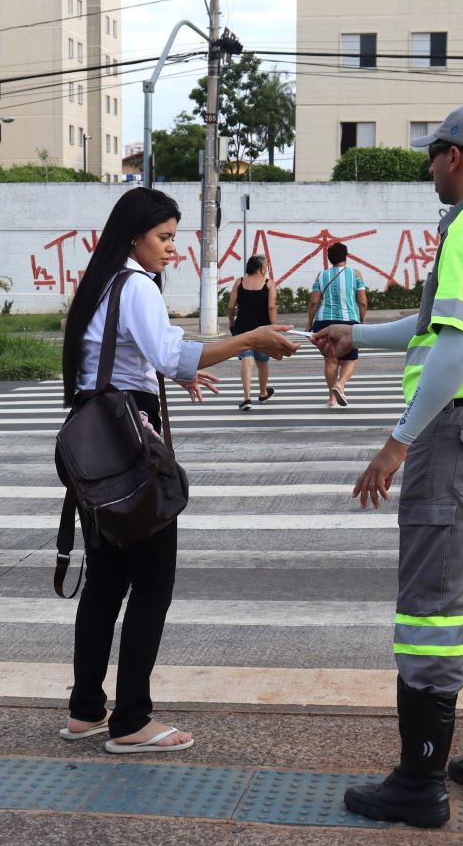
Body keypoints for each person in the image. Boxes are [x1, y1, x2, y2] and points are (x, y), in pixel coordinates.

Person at [313, 102, 463, 828]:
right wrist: (356, 339)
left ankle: (419, 785)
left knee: (431, 615)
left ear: (454, 156)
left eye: (433, 154)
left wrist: (397, 442)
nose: (429, 167)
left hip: (462, 437)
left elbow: (453, 351)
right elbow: (434, 326)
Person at [59, 187, 298, 753]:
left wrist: (169, 371)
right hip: (130, 440)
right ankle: (132, 721)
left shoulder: (98, 283)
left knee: (105, 580)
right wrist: (250, 339)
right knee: (152, 583)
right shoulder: (136, 284)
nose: (173, 248)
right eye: (165, 237)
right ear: (135, 236)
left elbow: (118, 356)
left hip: (95, 436)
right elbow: (167, 352)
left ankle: (85, 710)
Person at [307, 243, 367, 408]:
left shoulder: (321, 275)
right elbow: (362, 301)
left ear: (329, 258)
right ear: (346, 256)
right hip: (348, 322)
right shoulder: (356, 274)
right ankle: (340, 385)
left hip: (324, 322)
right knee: (351, 358)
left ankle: (331, 399)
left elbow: (314, 302)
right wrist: (362, 319)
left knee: (330, 360)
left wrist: (309, 323)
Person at [226, 254, 278, 410]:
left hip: (242, 326)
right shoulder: (269, 284)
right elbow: (271, 307)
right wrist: (274, 327)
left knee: (246, 360)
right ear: (262, 268)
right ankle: (262, 393)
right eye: (266, 265)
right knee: (262, 362)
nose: (267, 267)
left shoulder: (239, 282)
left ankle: (247, 398)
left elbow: (230, 306)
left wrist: (231, 322)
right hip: (263, 329)